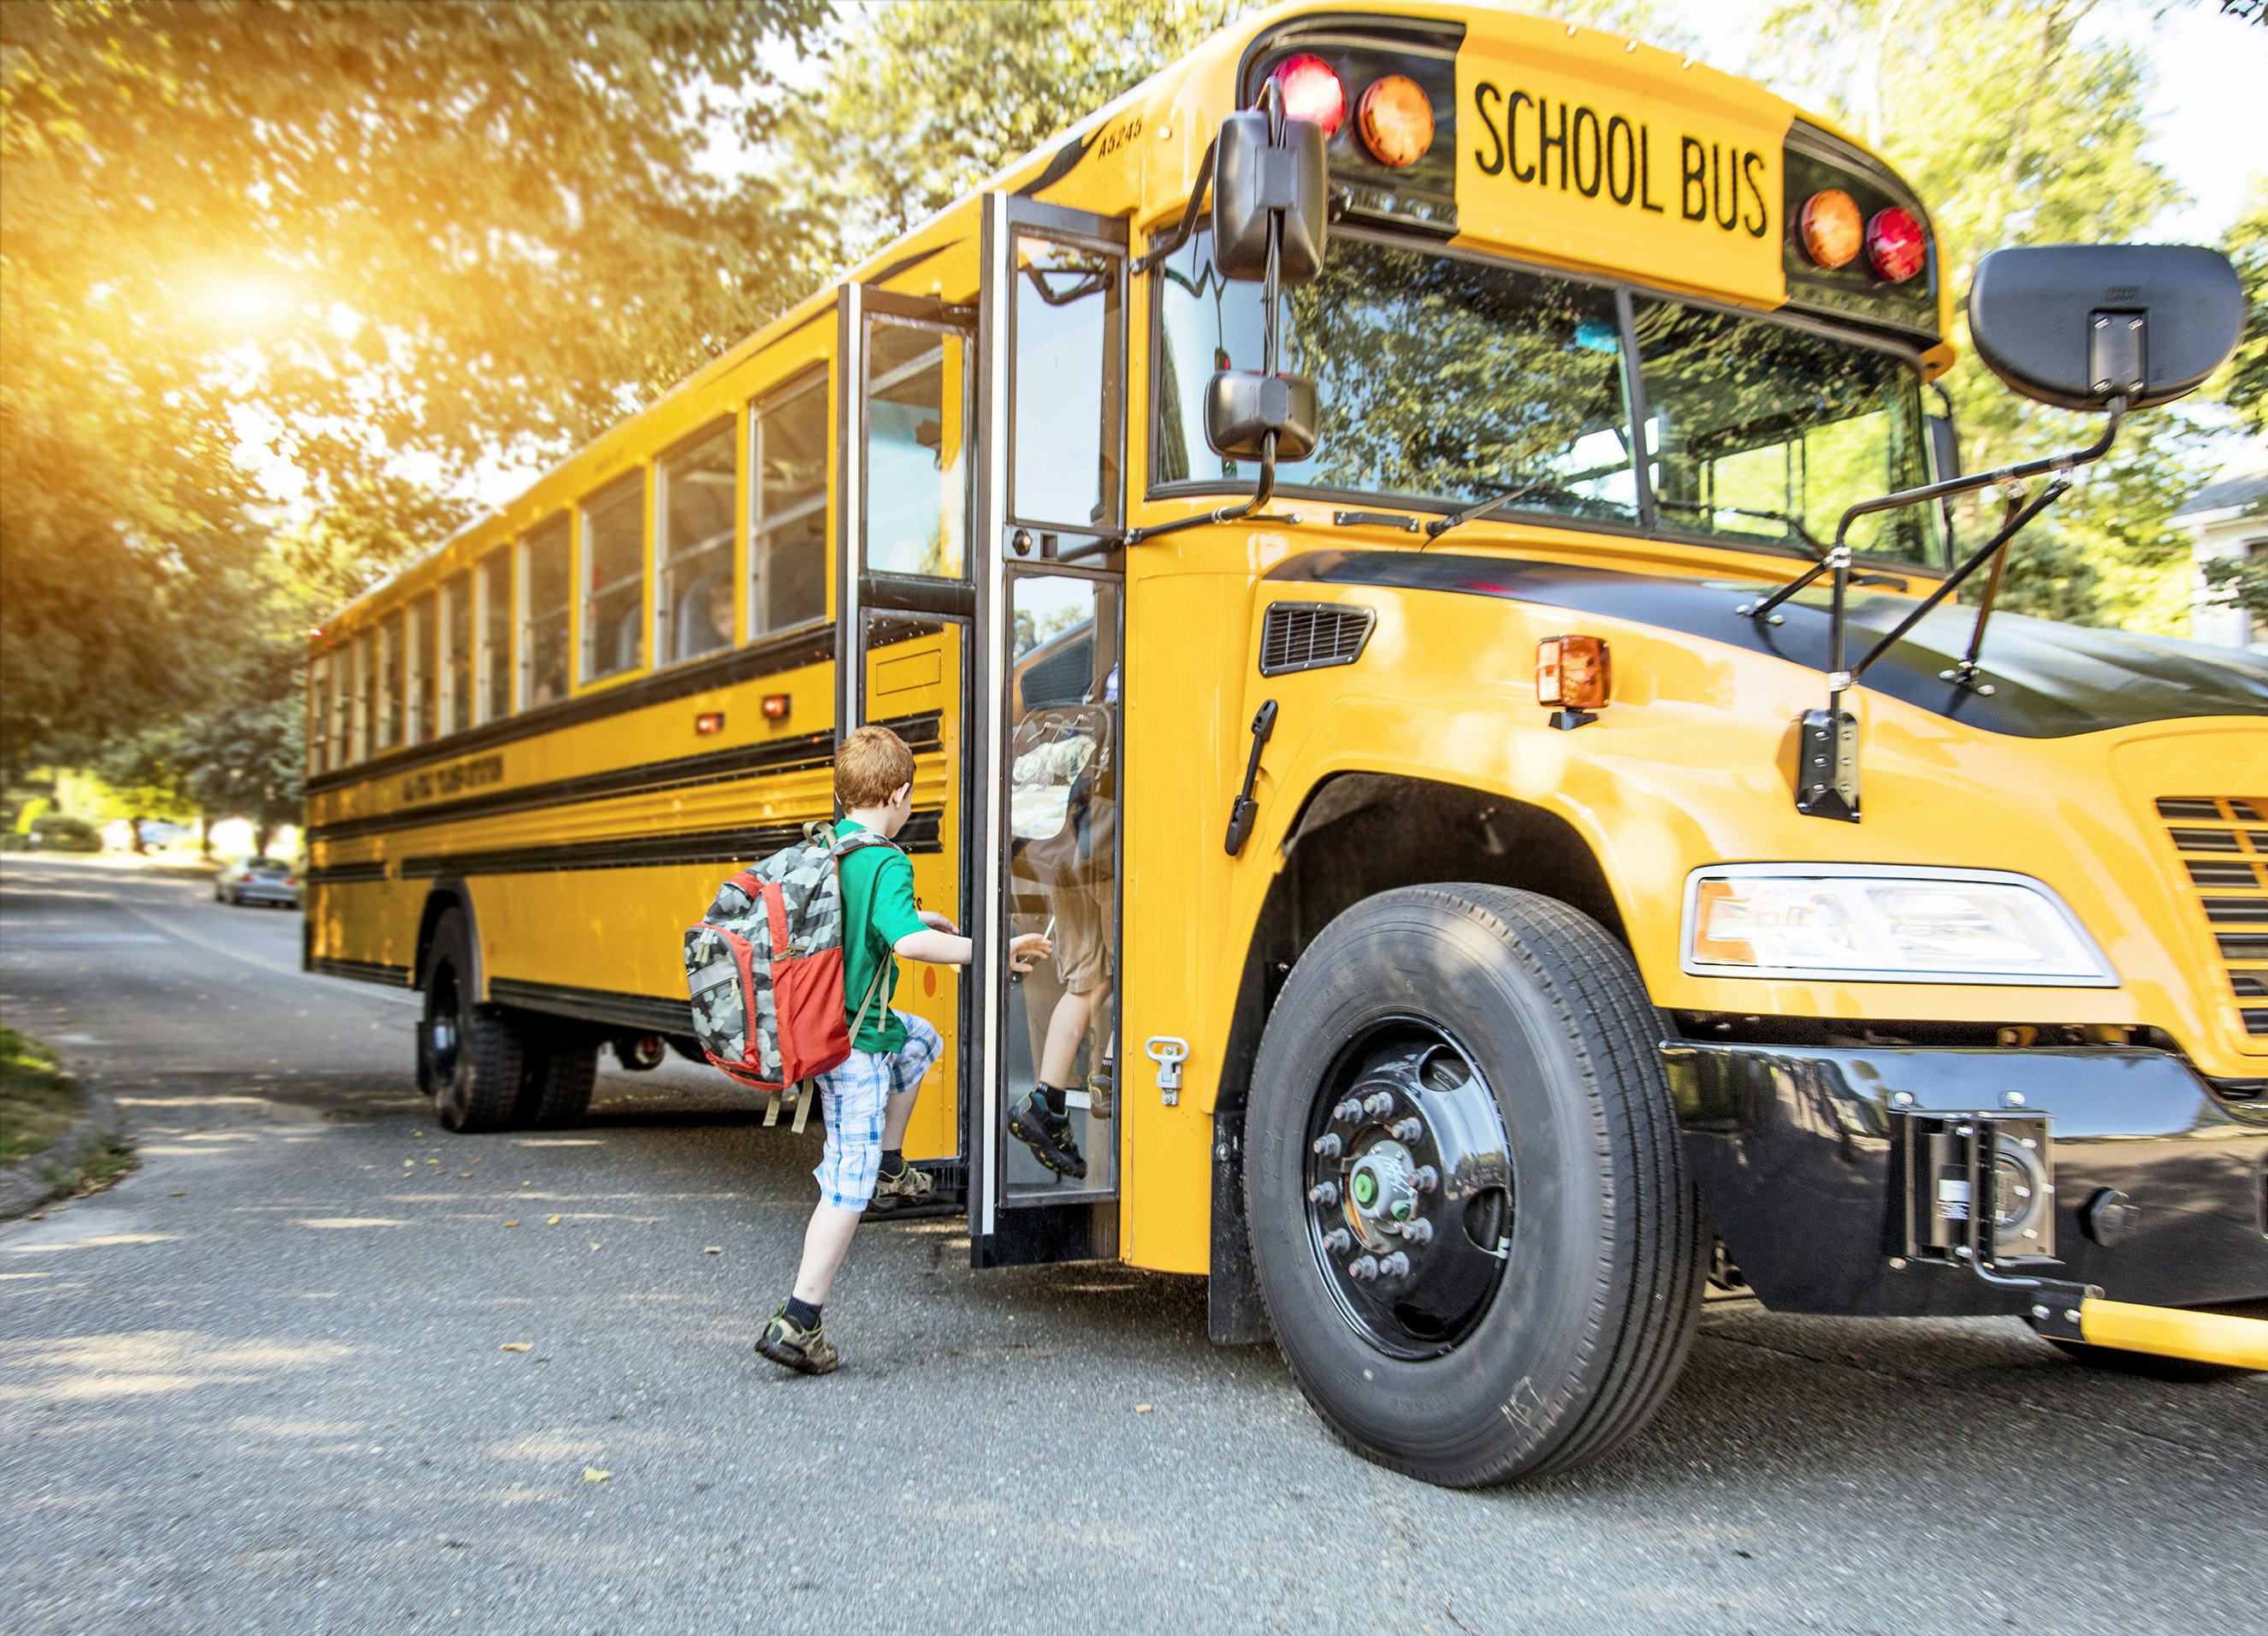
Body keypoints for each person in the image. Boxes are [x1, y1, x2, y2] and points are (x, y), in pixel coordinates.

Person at [755, 724, 1051, 1376]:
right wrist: (989, 950)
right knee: (845, 1187)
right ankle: (797, 1321)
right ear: (899, 794)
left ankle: (892, 1162)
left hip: (839, 1029)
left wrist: (922, 919)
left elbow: (879, 923)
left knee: (919, 1040)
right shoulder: (887, 857)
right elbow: (907, 945)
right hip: (852, 1051)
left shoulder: (832, 846)